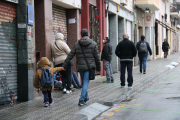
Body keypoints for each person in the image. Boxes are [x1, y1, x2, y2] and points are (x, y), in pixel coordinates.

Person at [62, 29, 100, 106]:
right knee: (85, 82)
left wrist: (64, 65)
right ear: (88, 35)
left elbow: (70, 55)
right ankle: (81, 99)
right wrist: (98, 68)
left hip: (80, 66)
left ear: (81, 35)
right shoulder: (93, 44)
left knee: (83, 82)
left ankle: (86, 97)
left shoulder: (77, 44)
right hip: (89, 67)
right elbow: (97, 57)